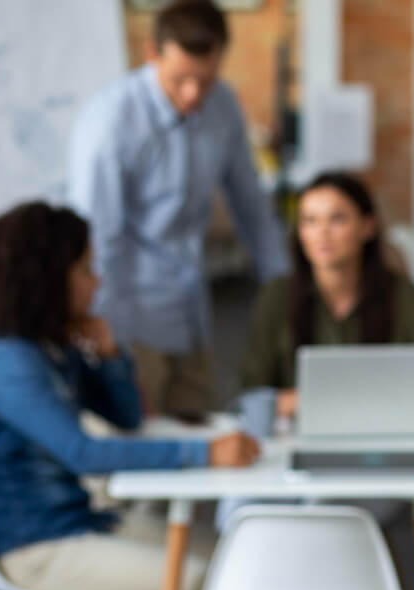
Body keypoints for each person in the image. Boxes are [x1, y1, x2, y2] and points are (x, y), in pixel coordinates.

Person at [0, 202, 258, 590]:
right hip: (38, 550)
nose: (97, 282)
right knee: (199, 579)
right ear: (46, 278)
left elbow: (126, 418)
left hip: (83, 523)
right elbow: (84, 454)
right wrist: (206, 453)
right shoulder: (5, 362)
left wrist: (110, 354)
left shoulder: (48, 347)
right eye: (85, 270)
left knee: (237, 557)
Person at [67, 0, 289, 420]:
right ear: (153, 53)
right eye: (179, 79)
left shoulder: (222, 105)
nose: (192, 95)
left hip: (192, 313)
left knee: (202, 442)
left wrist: (285, 291)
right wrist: (105, 340)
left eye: (205, 80)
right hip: (129, 318)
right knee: (142, 452)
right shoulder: (110, 121)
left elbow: (252, 209)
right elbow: (98, 239)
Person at [240, 171, 414, 417]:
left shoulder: (407, 298)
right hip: (294, 436)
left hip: (385, 437)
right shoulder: (277, 296)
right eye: (310, 221)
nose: (322, 232)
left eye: (337, 219)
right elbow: (251, 394)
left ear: (367, 227)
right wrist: (300, 401)